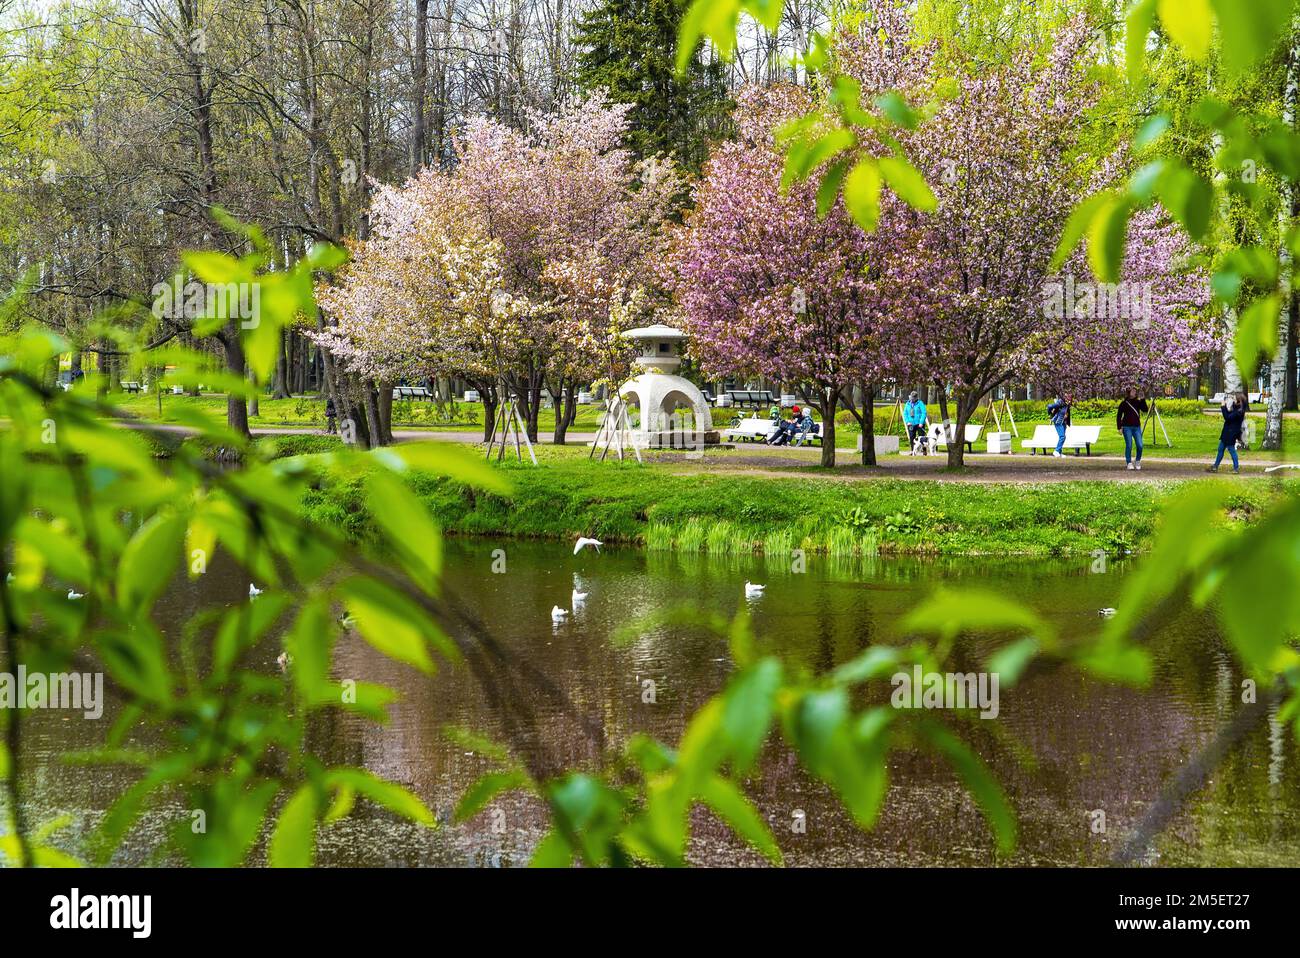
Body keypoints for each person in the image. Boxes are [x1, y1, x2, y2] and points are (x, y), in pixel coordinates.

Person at [1209, 392, 1246, 473]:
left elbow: (1227, 417)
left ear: (1239, 400)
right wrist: (1225, 406)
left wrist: (1223, 407)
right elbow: (1229, 414)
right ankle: (1215, 466)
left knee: (1231, 449)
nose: (1233, 400)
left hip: (1231, 433)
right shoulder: (1236, 408)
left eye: (1235, 398)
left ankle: (1236, 468)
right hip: (1227, 432)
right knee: (1221, 448)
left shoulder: (1239, 411)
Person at [1116, 387, 1148, 471]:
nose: (1134, 392)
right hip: (1127, 427)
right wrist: (1119, 427)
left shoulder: (1138, 402)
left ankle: (1137, 461)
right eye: (1133, 391)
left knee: (1140, 445)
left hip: (1136, 427)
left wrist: (1143, 399)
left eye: (1135, 391)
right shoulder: (1124, 403)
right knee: (1129, 445)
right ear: (1129, 392)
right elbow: (1119, 416)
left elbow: (1145, 410)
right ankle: (1129, 462)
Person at [902, 391, 928, 455]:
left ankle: (924, 450)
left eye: (914, 398)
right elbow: (905, 413)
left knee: (922, 438)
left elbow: (924, 413)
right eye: (911, 398)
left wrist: (921, 422)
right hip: (911, 424)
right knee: (912, 437)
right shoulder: (907, 404)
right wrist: (907, 421)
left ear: (916, 398)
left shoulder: (920, 403)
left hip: (919, 424)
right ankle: (912, 451)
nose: (912, 399)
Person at [1047, 392, 1072, 457]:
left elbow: (1066, 412)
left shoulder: (1068, 403)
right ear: (1065, 396)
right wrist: (1049, 414)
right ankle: (1056, 451)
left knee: (1063, 437)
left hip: (1063, 422)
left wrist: (1067, 420)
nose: (1069, 398)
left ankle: (1059, 453)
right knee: (1062, 436)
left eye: (1070, 397)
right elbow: (1050, 406)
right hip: (1058, 421)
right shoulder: (1060, 402)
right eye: (1068, 396)